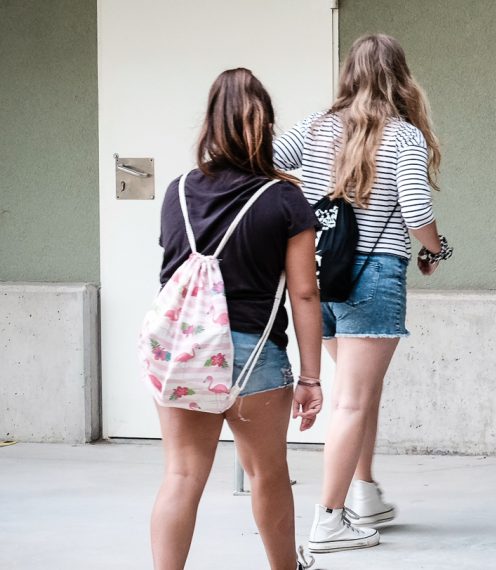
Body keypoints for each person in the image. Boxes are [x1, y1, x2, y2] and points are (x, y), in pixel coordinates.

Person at [274, 34, 452, 553]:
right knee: (352, 400)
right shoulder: (402, 136)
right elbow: (417, 213)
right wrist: (437, 250)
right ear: (400, 77)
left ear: (349, 73)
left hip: (320, 272)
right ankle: (329, 520)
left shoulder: (313, 127)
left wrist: (301, 210)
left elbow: (265, 161)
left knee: (360, 392)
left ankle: (364, 492)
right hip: (373, 276)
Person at [151, 68, 324, 570]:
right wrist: (310, 377)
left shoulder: (178, 191)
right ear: (266, 124)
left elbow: (171, 273)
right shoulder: (284, 198)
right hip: (254, 360)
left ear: (209, 123)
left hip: (185, 353)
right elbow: (305, 292)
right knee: (268, 474)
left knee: (182, 476)